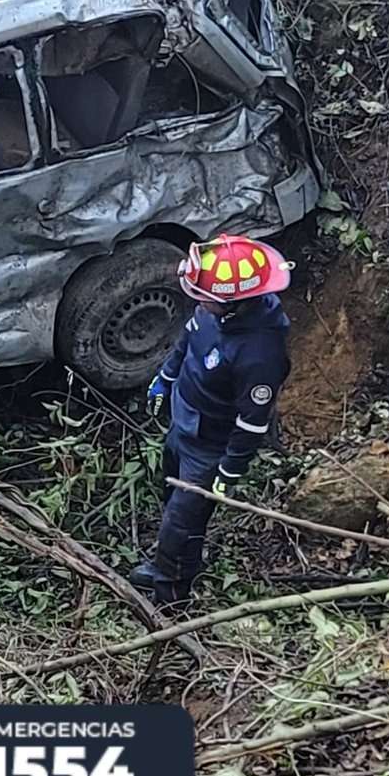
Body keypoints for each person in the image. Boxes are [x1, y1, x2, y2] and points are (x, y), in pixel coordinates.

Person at [131, 234, 293, 605]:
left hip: (209, 447)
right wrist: (164, 381)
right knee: (171, 498)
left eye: (203, 295)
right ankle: (178, 564)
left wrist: (228, 472)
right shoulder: (210, 311)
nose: (196, 300)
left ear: (232, 304)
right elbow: (187, 342)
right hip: (183, 423)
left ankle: (170, 595)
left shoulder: (259, 354)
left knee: (179, 522)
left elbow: (253, 421)